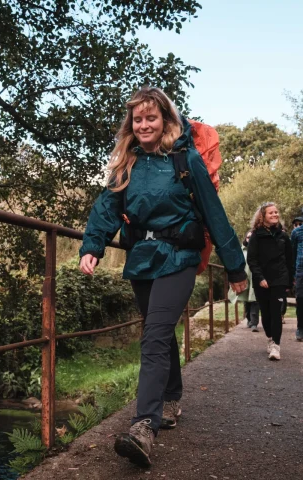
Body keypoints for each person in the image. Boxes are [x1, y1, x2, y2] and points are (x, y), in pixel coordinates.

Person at [79, 87, 247, 467]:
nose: (143, 125)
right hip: (143, 257)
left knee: (154, 334)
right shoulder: (128, 163)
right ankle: (171, 396)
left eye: (150, 118)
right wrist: (92, 246)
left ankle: (144, 426)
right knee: (158, 330)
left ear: (166, 120)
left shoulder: (184, 158)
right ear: (130, 123)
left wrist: (235, 267)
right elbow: (108, 207)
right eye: (137, 119)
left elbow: (213, 212)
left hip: (180, 256)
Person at [247, 202, 293, 360]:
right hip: (262, 280)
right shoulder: (256, 236)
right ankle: (269, 338)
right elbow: (252, 260)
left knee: (276, 312)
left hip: (279, 279)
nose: (275, 215)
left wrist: (289, 281)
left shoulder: (283, 236)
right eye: (271, 213)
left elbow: (290, 259)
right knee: (265, 314)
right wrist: (260, 278)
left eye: (276, 212)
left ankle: (276, 346)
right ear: (263, 216)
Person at [239, 231, 260, 332]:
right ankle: (249, 319)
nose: (250, 239)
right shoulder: (241, 251)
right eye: (248, 237)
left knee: (255, 300)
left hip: (255, 279)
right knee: (246, 301)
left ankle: (254, 323)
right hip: (245, 279)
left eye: (252, 237)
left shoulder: (259, 250)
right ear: (245, 239)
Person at [291, 214, 303, 341]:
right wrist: (292, 274)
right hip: (300, 271)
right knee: (300, 299)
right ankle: (300, 328)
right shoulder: (297, 232)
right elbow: (292, 253)